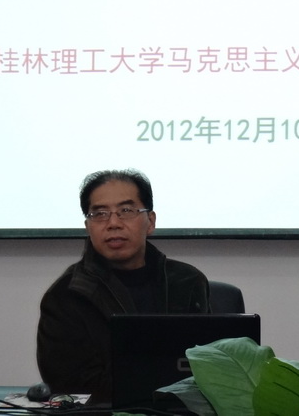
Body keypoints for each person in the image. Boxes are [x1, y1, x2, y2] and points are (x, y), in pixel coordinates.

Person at [36, 168, 210, 402]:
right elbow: (70, 384)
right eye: (100, 214)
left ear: (150, 221)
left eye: (126, 211)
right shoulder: (66, 295)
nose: (113, 223)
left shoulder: (188, 282)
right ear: (88, 226)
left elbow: (210, 366)